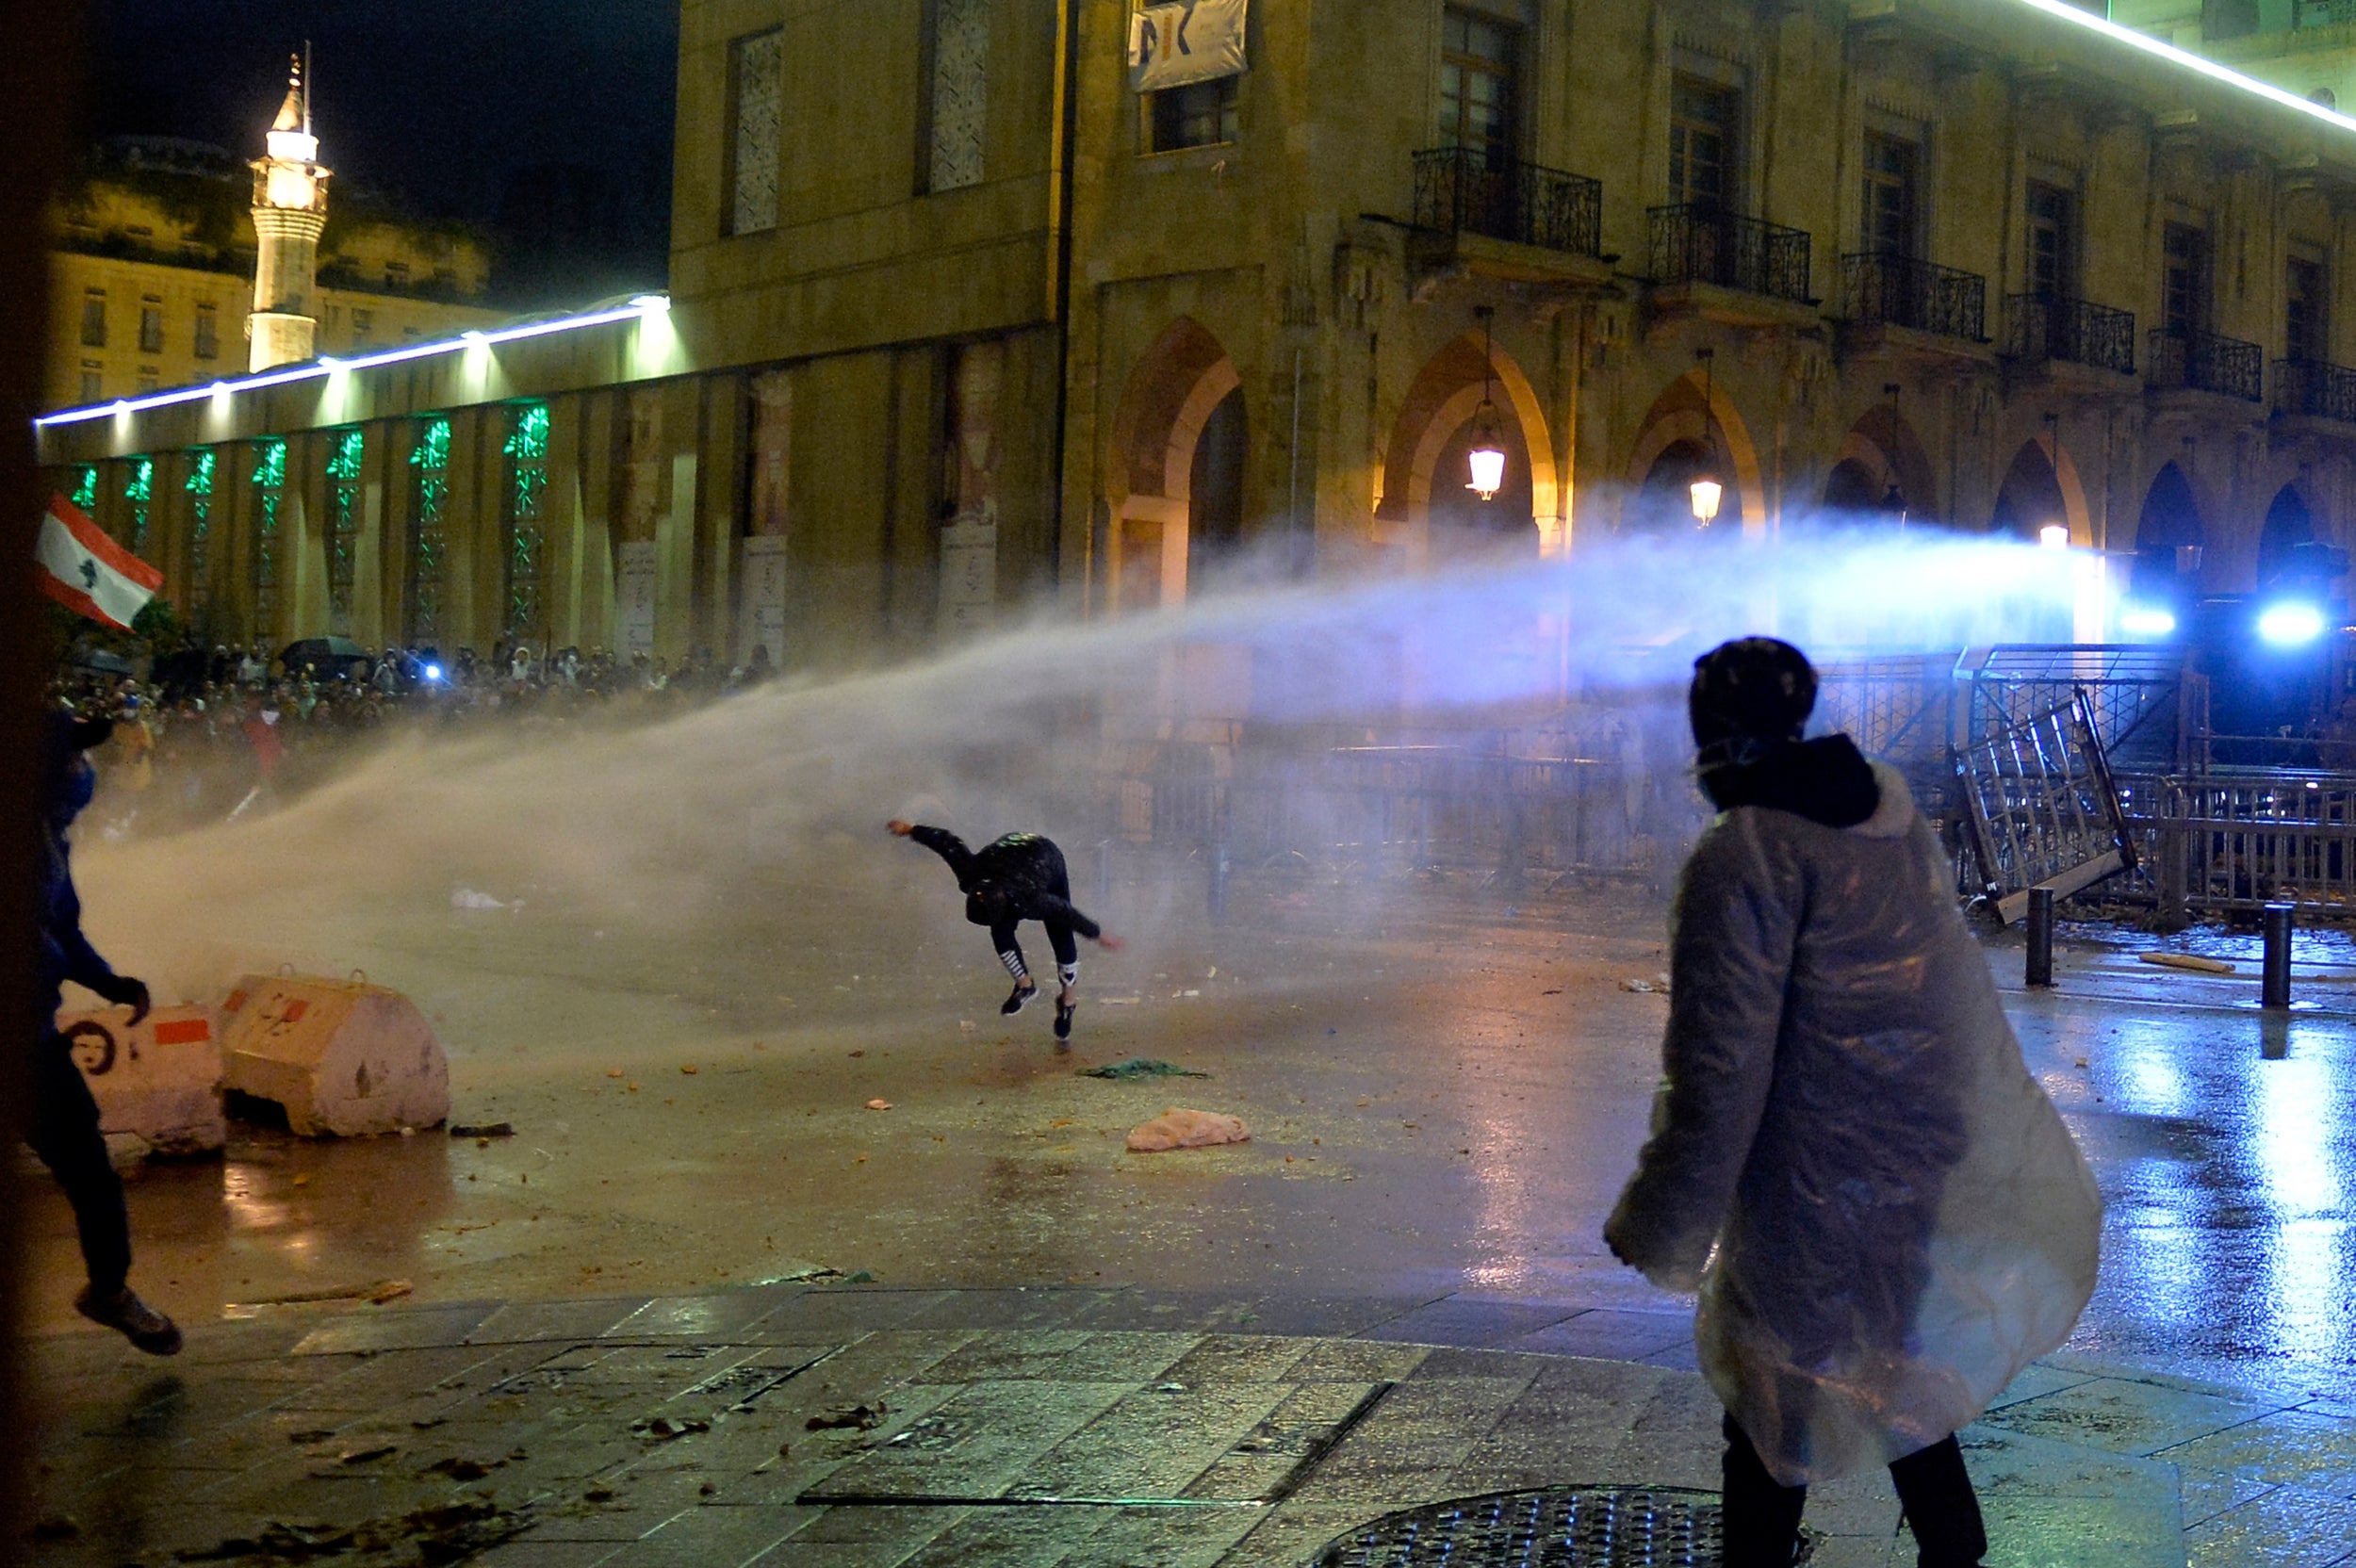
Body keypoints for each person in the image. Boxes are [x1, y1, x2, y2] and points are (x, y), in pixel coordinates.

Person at [1603, 638, 2100, 1568]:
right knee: (1899, 1369)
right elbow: (1945, 995)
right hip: (1909, 1158)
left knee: (1766, 1404)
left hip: (1805, 1180)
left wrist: (1664, 1218)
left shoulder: (1743, 851)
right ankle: (1955, 1549)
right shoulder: (1889, 821)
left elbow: (1720, 1061)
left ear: (1711, 725)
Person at [30, 711, 182, 1355]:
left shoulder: (49, 840)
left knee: (89, 1167)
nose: (82, 770)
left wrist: (110, 984)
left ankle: (110, 1291)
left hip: (32, 1043)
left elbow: (62, 926)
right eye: (70, 757)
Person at [889, 820, 1122, 1041]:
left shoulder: (1032, 898)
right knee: (1000, 931)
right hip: (1007, 859)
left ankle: (1069, 1000)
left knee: (1059, 930)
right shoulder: (970, 872)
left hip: (1046, 858)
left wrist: (1098, 935)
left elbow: (1067, 914)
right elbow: (946, 841)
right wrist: (910, 829)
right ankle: (1025, 986)